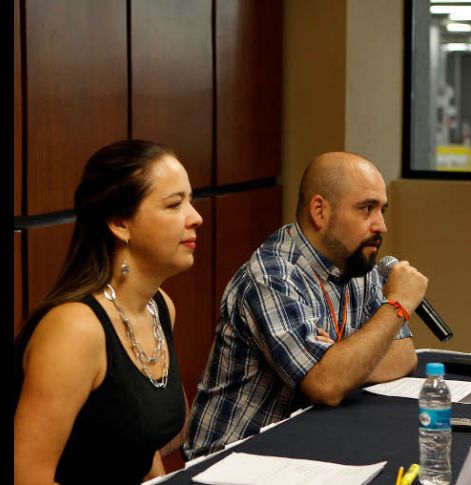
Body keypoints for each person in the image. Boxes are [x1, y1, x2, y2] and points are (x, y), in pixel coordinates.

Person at [183, 151, 426, 458]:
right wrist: (397, 304)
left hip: (304, 447)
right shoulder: (271, 276)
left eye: (382, 210)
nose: (381, 225)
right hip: (230, 459)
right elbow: (326, 385)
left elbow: (404, 356)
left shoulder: (356, 264)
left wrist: (342, 361)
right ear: (320, 211)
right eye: (367, 209)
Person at [13, 140, 203, 484]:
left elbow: (143, 447)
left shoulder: (161, 306)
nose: (196, 217)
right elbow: (27, 477)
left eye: (190, 200)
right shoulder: (75, 329)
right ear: (120, 223)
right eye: (175, 204)